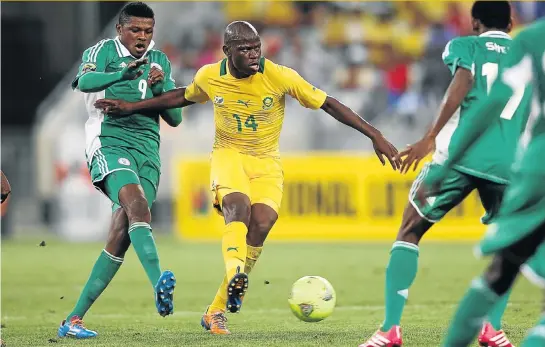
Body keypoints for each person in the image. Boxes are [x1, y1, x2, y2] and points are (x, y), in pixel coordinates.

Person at [94, 20, 400, 335]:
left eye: (256, 47)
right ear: (227, 51)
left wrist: (374, 134)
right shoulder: (211, 76)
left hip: (267, 161)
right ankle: (237, 275)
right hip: (229, 155)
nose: (254, 54)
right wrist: (132, 106)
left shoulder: (279, 75)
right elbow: (181, 97)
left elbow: (329, 104)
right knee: (237, 208)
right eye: (245, 49)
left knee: (262, 224)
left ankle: (215, 311)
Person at [360, 2, 534, 346]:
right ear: (512, 23)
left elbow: (465, 78)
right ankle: (492, 328)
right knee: (509, 246)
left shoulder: (464, 46)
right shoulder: (528, 57)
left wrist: (429, 137)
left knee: (410, 229)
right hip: (508, 162)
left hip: (460, 155)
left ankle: (390, 329)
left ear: (475, 23)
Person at [58, 2, 181, 339]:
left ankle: (72, 320)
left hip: (148, 151)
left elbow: (176, 118)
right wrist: (120, 74)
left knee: (121, 234)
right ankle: (159, 283)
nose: (142, 38)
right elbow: (85, 81)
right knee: (137, 205)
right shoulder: (103, 51)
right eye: (135, 30)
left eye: (148, 31)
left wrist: (159, 88)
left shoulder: (160, 60)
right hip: (109, 141)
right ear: (120, 29)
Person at [420, 18, 545, 347]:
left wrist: (446, 164)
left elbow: (492, 103)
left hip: (535, 169)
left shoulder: (532, 39)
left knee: (502, 269)